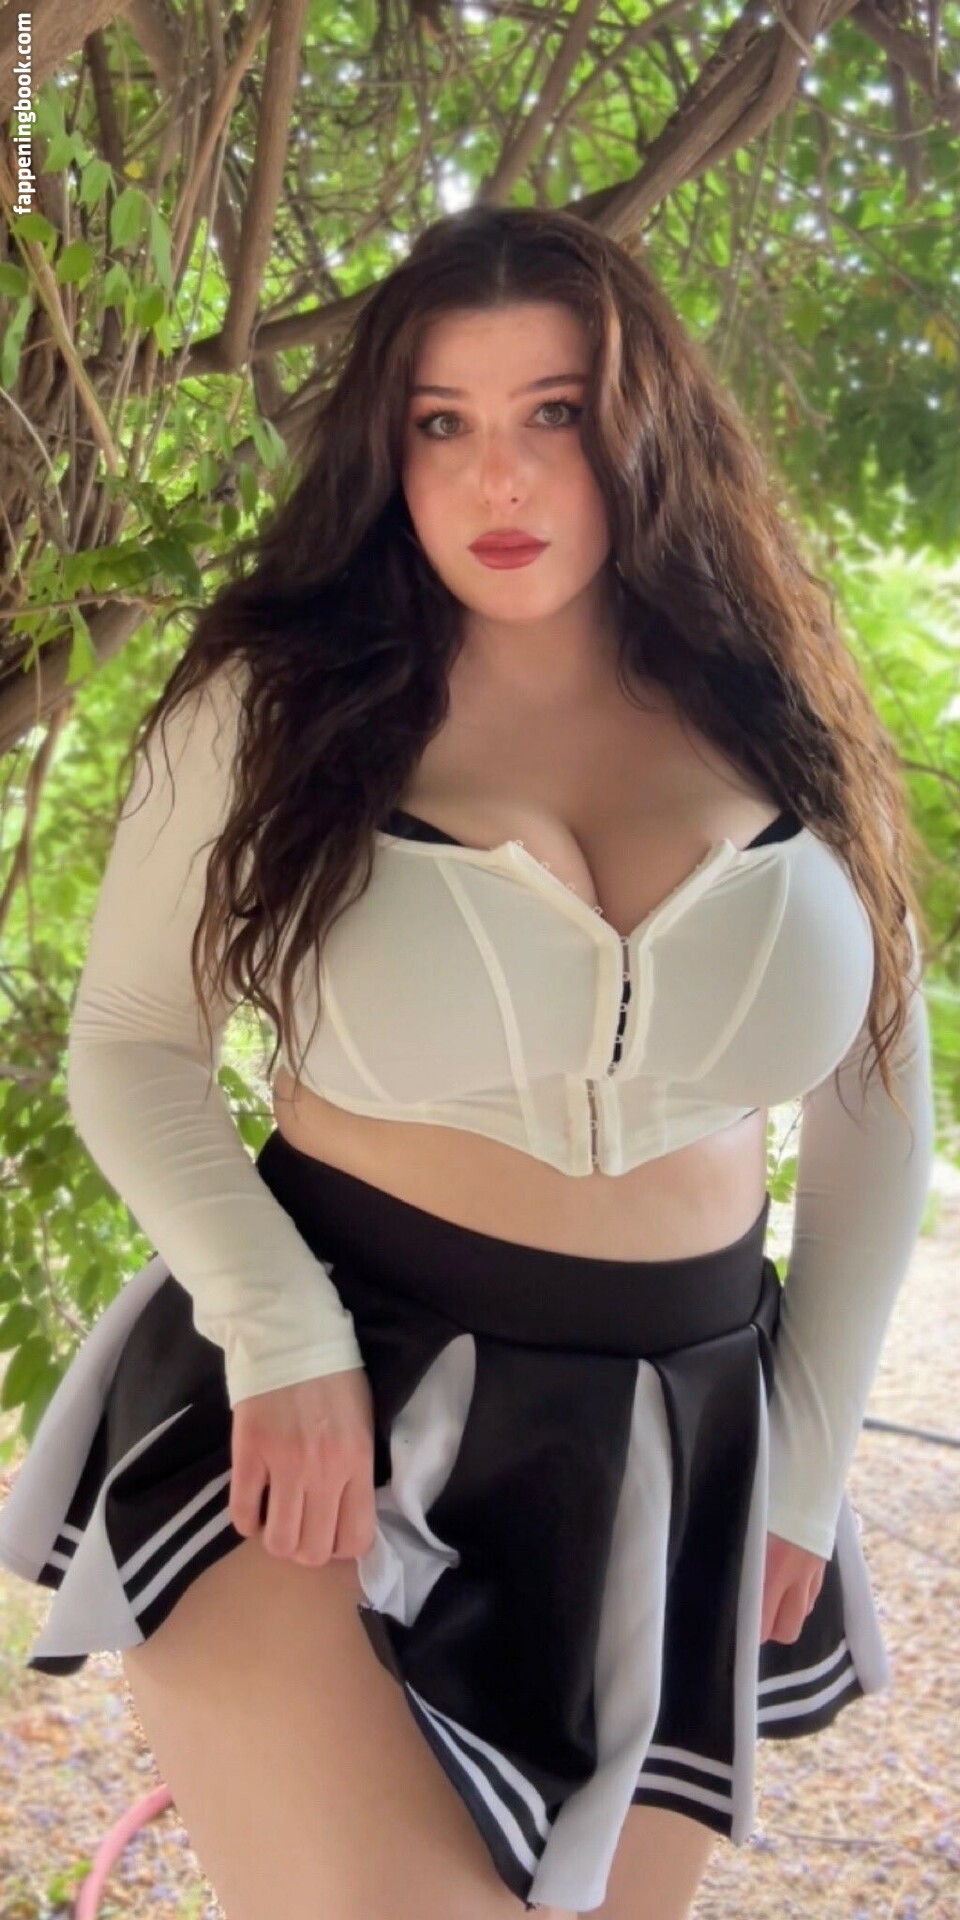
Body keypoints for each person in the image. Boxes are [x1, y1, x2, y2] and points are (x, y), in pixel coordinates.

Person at [0, 206, 934, 1920]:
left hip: (678, 1450)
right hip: (330, 1404)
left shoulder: (785, 702)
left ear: (647, 430)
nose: (496, 477)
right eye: (443, 422)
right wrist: (280, 1336)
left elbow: (879, 1103)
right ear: (389, 447)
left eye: (553, 413)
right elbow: (132, 1044)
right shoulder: (269, 702)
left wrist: (802, 1465)